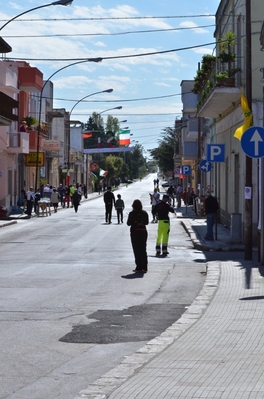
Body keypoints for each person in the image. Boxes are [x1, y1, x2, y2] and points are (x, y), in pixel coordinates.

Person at [127, 199, 149, 273]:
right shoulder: (144, 213)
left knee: (137, 250)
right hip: (143, 232)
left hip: (135, 233)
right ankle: (145, 266)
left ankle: (139, 266)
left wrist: (135, 221)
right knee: (143, 249)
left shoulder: (132, 213)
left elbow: (128, 223)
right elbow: (147, 222)